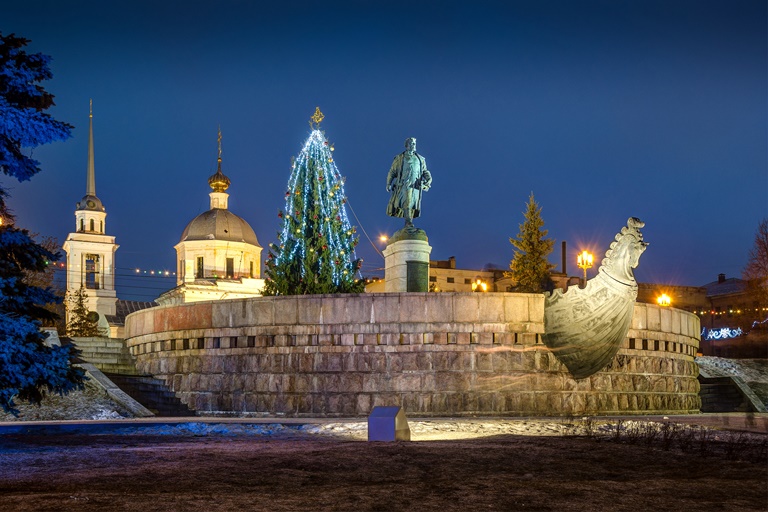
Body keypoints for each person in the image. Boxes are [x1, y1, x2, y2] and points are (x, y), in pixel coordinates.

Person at [386, 137, 432, 227]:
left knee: (411, 204)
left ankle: (408, 222)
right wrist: (388, 183)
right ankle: (408, 222)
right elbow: (392, 171)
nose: (414, 145)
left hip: (415, 185)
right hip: (403, 184)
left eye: (414, 143)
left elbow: (425, 171)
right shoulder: (399, 158)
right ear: (406, 146)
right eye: (411, 143)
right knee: (407, 201)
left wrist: (429, 179)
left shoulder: (420, 159)